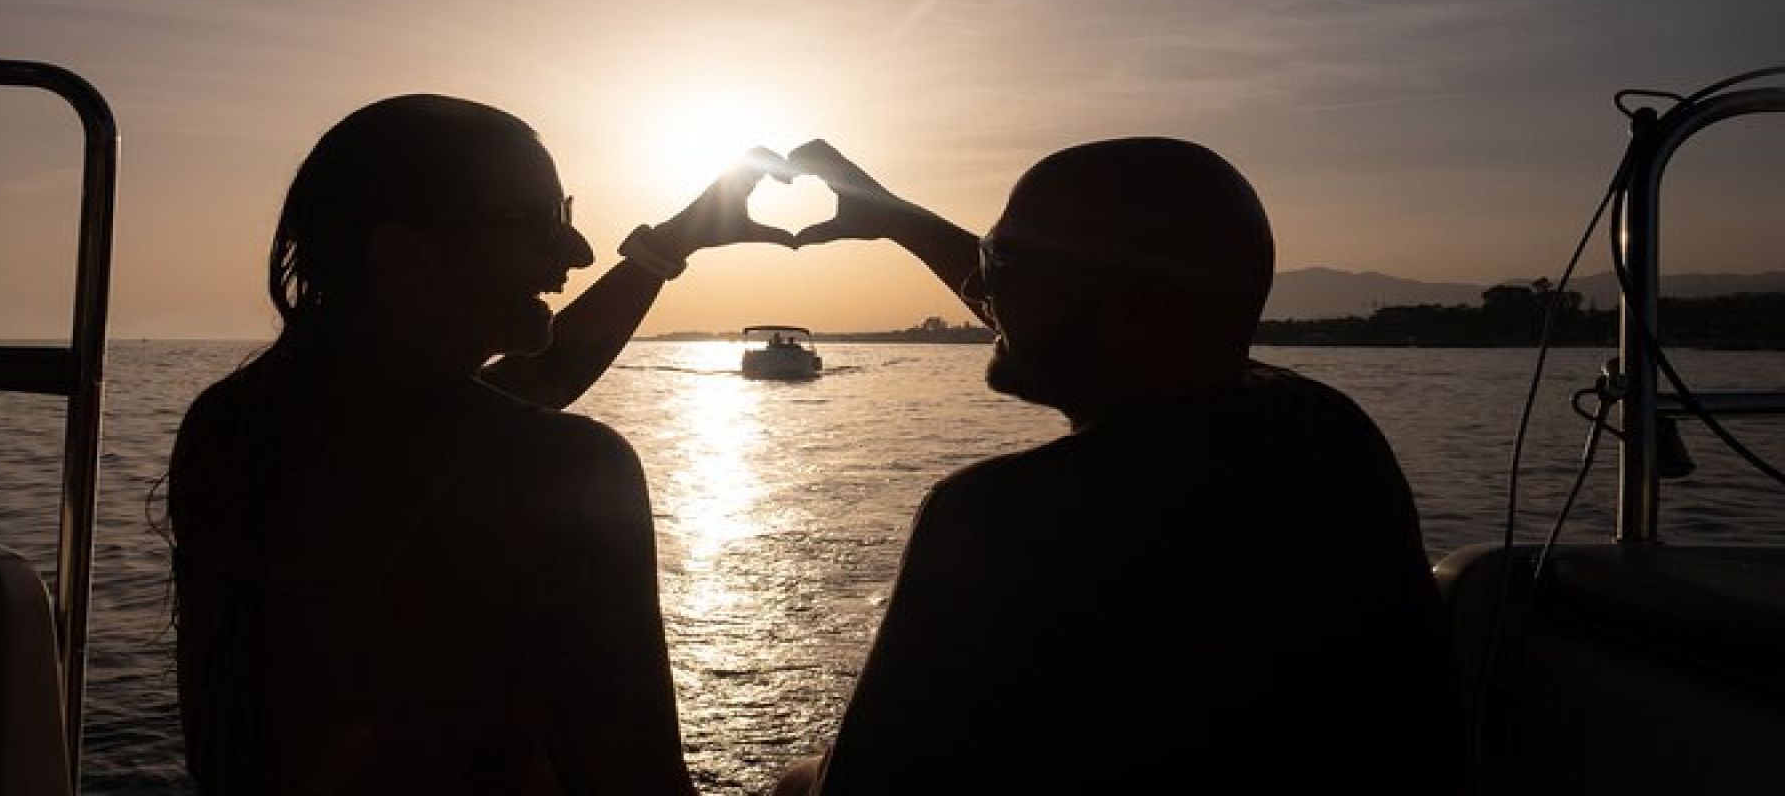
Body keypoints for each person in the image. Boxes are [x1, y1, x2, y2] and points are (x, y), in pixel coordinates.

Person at [773, 138, 1461, 794]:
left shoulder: (999, 517)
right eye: (987, 258)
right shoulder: (1328, 433)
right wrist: (896, 218)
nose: (982, 290)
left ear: (1133, 313)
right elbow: (1092, 321)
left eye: (1004, 265)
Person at [166, 94, 791, 794]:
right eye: (539, 223)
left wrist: (670, 244)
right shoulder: (573, 469)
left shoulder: (230, 425)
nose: (577, 251)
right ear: (407, 256)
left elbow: (536, 384)